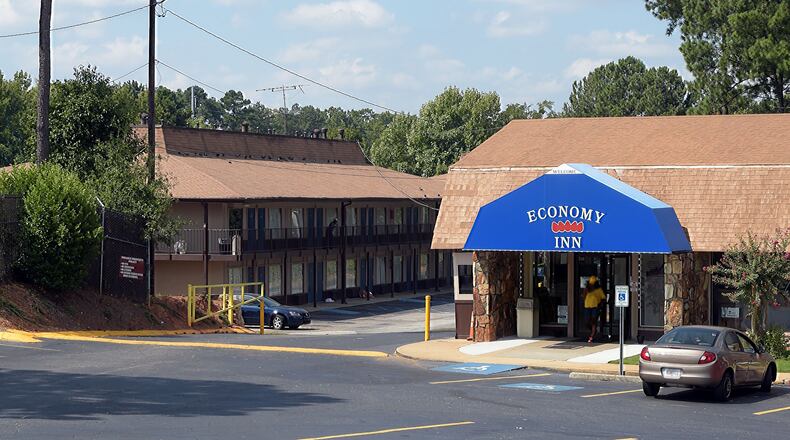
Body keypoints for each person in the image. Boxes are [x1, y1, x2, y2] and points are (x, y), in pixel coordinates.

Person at [583, 275, 605, 343]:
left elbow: (603, 298)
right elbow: (584, 296)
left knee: (593, 321)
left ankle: (592, 335)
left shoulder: (599, 290)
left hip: (595, 307)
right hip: (587, 307)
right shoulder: (587, 289)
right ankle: (593, 330)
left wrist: (600, 305)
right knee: (587, 321)